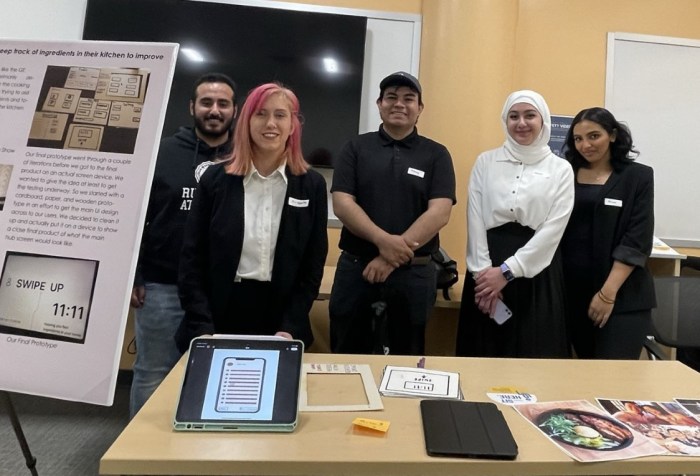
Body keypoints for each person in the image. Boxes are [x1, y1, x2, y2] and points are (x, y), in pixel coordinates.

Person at [175, 82, 328, 352]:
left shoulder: (311, 185)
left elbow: (312, 266)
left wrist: (290, 326)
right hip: (218, 315)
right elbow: (192, 259)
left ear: (293, 125)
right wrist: (203, 327)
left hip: (282, 321)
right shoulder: (215, 180)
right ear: (246, 121)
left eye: (280, 115)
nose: (270, 123)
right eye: (261, 114)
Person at [129, 73, 237, 418]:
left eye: (223, 103)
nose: (214, 110)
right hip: (163, 285)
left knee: (217, 374)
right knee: (153, 373)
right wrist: (134, 275)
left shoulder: (245, 156)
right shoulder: (160, 153)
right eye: (206, 102)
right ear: (192, 107)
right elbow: (135, 215)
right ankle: (143, 450)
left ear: (234, 110)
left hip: (222, 290)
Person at [329, 71, 456, 355]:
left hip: (414, 274)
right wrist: (383, 242)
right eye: (391, 97)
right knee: (347, 352)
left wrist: (389, 257)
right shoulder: (355, 148)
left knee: (406, 359)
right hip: (357, 269)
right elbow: (342, 203)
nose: (399, 104)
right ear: (379, 104)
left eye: (409, 99)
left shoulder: (436, 154)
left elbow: (440, 213)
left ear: (420, 108)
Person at [455, 90, 574, 358]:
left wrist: (508, 272)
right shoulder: (485, 162)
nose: (521, 123)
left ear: (543, 120)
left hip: (536, 268)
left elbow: (553, 229)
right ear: (505, 120)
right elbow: (475, 219)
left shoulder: (561, 169)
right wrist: (483, 277)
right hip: (487, 267)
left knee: (533, 352)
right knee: (484, 351)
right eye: (513, 116)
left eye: (530, 115)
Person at [561, 107, 656, 359]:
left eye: (594, 136)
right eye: (578, 139)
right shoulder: (564, 172)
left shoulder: (638, 176)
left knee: (614, 375)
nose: (585, 145)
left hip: (622, 296)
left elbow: (637, 239)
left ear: (612, 135)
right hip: (573, 294)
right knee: (582, 373)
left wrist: (607, 294)